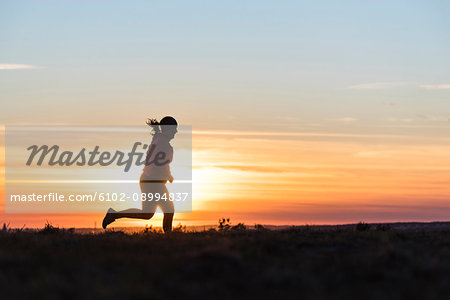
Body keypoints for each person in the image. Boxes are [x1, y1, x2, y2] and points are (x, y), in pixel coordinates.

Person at [102, 116, 178, 232]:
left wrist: (168, 174)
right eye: (174, 129)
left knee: (147, 214)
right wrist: (166, 175)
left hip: (149, 180)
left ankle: (113, 215)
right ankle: (169, 235)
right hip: (152, 181)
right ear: (168, 129)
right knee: (168, 209)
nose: (175, 132)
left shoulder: (159, 140)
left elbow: (162, 162)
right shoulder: (162, 143)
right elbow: (157, 163)